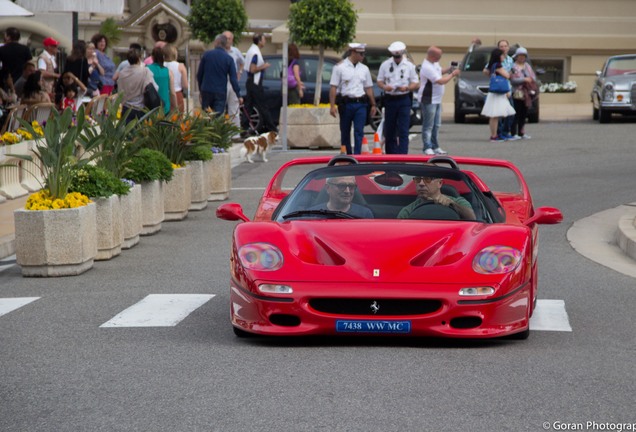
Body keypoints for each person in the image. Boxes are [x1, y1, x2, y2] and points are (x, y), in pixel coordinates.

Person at [329, 43, 377, 155]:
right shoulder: (339, 67)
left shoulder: (364, 68)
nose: (363, 56)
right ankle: (348, 154)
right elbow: (333, 87)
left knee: (359, 131)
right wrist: (332, 106)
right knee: (345, 131)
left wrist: (373, 104)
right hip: (346, 104)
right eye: (361, 54)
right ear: (353, 52)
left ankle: (357, 155)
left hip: (360, 103)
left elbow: (368, 88)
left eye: (364, 54)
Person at [377, 41, 419, 154]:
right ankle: (391, 155)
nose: (397, 59)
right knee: (389, 129)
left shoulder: (409, 66)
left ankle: (402, 155)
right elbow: (379, 81)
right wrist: (386, 87)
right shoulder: (385, 65)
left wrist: (407, 88)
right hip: (390, 99)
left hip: (404, 99)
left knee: (403, 130)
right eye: (395, 57)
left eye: (399, 57)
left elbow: (415, 83)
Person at [418, 46, 460, 156]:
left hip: (437, 99)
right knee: (428, 125)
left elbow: (439, 72)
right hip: (428, 99)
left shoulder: (434, 64)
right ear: (432, 56)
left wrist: (449, 69)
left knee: (436, 124)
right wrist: (452, 74)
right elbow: (440, 81)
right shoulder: (427, 67)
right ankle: (427, 146)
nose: (440, 58)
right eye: (438, 56)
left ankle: (435, 146)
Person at [197, 34, 242, 115]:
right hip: (220, 92)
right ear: (225, 44)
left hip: (206, 90)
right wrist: (238, 95)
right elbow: (233, 79)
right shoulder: (229, 59)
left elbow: (199, 75)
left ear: (216, 42)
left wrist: (201, 90)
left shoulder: (206, 55)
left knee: (206, 116)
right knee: (217, 117)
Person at [398, 174, 475, 220]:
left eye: (427, 179)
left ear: (440, 183)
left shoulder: (459, 202)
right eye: (418, 179)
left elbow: (473, 219)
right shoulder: (407, 211)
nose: (421, 183)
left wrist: (453, 204)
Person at [484, 39, 517, 141]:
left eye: (505, 46)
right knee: (498, 115)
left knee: (501, 114)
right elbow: (507, 75)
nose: (503, 50)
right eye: (501, 47)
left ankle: (501, 133)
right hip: (500, 91)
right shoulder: (497, 65)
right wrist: (511, 72)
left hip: (502, 90)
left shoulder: (508, 60)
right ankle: (495, 135)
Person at [243, 33, 276, 133]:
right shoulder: (255, 53)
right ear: (259, 41)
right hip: (255, 82)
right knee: (262, 105)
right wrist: (264, 66)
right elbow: (253, 69)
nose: (265, 41)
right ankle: (272, 128)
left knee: (248, 105)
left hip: (250, 81)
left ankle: (243, 128)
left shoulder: (251, 50)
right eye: (264, 39)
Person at [117, 48, 157, 123]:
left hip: (126, 108)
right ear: (139, 58)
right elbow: (155, 88)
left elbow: (120, 91)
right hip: (140, 108)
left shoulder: (122, 73)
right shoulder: (145, 71)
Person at [309, 176, 374, 218]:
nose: (347, 191)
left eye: (351, 186)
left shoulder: (365, 214)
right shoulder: (312, 214)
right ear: (328, 188)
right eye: (341, 186)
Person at [510, 47, 537, 140]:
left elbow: (533, 77)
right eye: (520, 56)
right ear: (516, 56)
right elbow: (512, 80)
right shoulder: (513, 66)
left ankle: (521, 132)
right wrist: (524, 79)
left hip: (526, 93)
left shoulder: (527, 66)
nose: (521, 58)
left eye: (523, 56)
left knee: (524, 113)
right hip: (516, 92)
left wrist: (530, 80)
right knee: (515, 113)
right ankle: (513, 132)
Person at [223, 30, 244, 135]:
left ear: (232, 40)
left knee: (234, 107)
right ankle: (222, 133)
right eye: (225, 38)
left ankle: (235, 134)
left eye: (229, 38)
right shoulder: (220, 51)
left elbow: (242, 62)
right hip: (222, 80)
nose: (227, 41)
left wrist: (239, 72)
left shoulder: (235, 51)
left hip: (232, 81)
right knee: (221, 108)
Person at [147, 46, 177, 114]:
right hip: (165, 108)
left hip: (150, 108)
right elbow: (172, 93)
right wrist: (175, 107)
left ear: (152, 57)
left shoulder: (147, 69)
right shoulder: (168, 72)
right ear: (163, 57)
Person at [163, 45, 188, 112]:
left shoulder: (161, 65)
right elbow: (185, 85)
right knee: (178, 118)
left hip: (163, 94)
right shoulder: (181, 66)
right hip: (177, 94)